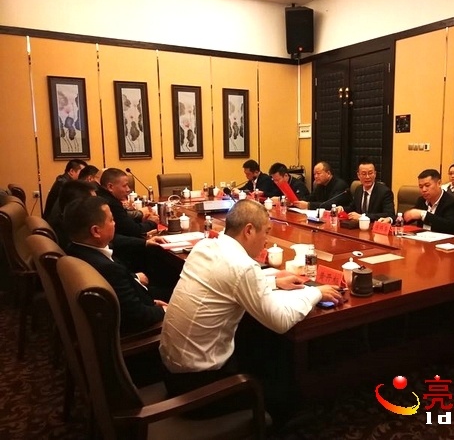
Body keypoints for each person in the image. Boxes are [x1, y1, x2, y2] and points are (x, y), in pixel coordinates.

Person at [159, 199, 341, 421]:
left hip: (171, 372)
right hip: (199, 390)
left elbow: (227, 281)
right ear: (248, 230)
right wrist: (316, 293)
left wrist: (274, 281)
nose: (267, 240)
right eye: (266, 232)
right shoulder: (241, 266)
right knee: (284, 391)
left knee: (259, 339)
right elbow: (280, 320)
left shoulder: (206, 247)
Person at [63, 196, 169, 334]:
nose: (115, 224)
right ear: (96, 231)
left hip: (138, 302)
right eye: (111, 220)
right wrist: (163, 310)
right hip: (136, 336)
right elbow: (137, 316)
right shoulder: (108, 269)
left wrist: (152, 303)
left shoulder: (74, 250)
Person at [95, 168, 159, 238]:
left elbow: (123, 222)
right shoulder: (110, 203)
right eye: (124, 186)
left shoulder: (102, 195)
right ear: (110, 187)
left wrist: (141, 219)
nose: (128, 189)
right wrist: (152, 222)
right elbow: (133, 230)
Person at [403, 169, 454, 235]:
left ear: (439, 183)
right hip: (421, 239)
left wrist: (423, 214)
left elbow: (451, 227)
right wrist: (401, 218)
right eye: (421, 187)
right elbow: (409, 217)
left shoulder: (453, 203)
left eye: (427, 185)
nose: (424, 190)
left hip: (444, 240)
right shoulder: (421, 200)